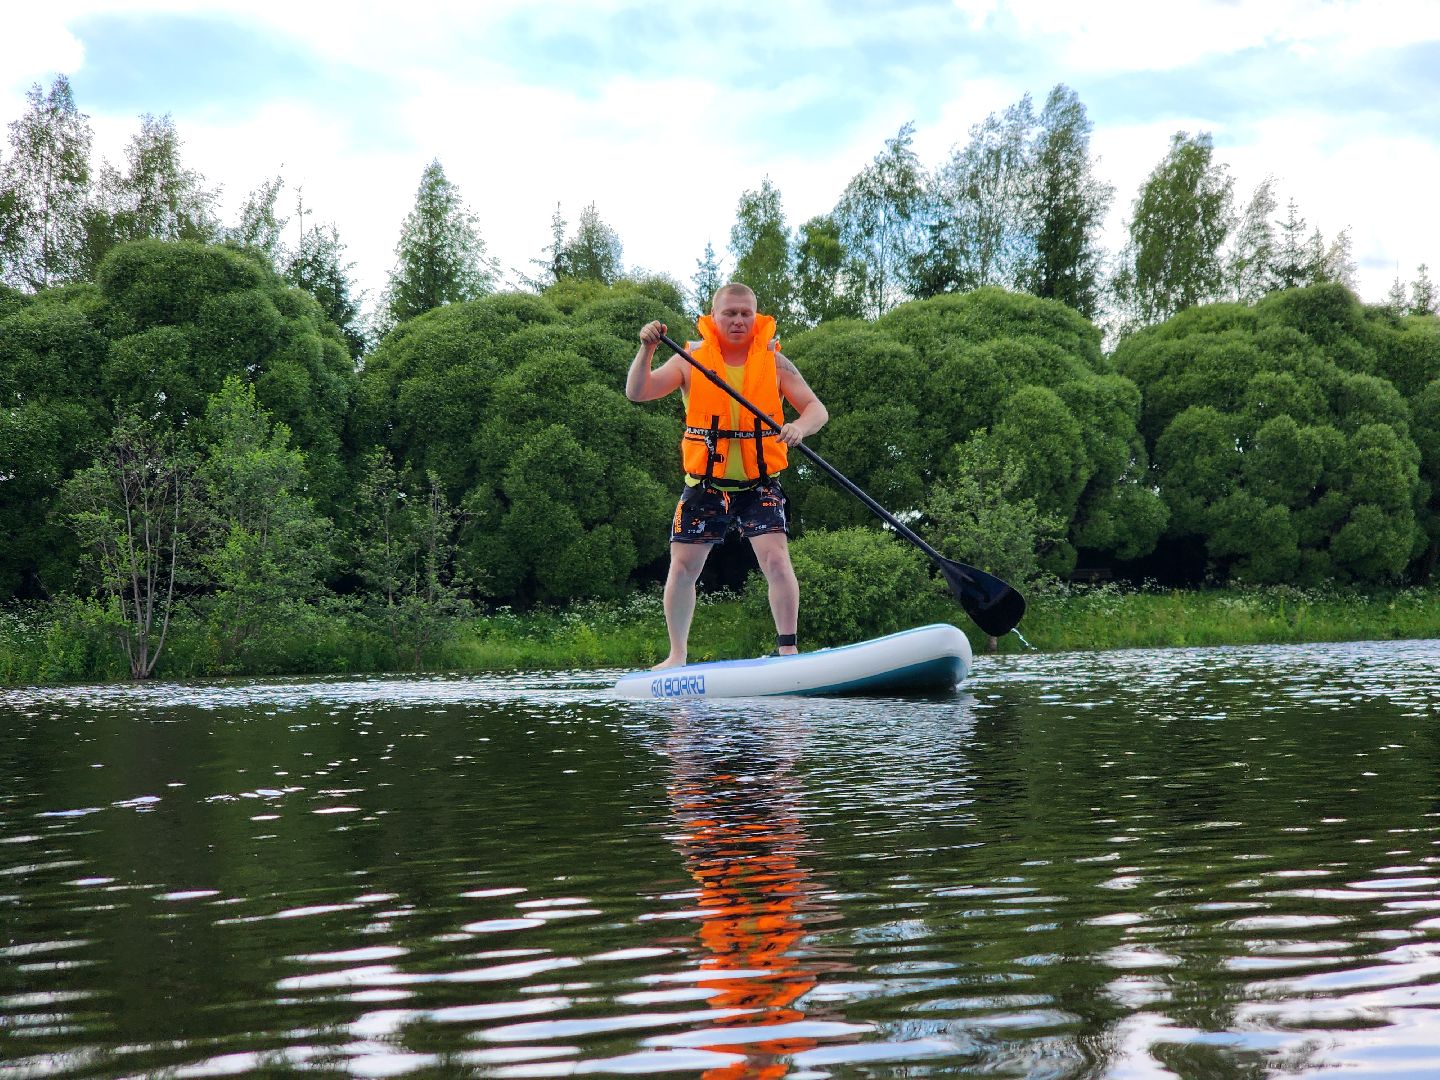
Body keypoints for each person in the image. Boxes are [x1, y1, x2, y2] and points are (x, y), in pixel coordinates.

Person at [627, 283, 828, 670]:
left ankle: (788, 651)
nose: (738, 320)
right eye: (730, 313)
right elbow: (638, 392)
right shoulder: (689, 360)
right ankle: (677, 655)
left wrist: (799, 427)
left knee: (776, 559)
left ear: (756, 317)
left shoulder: (775, 363)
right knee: (682, 568)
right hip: (705, 486)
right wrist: (647, 349)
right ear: (714, 317)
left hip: (759, 486)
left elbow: (816, 409)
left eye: (745, 313)